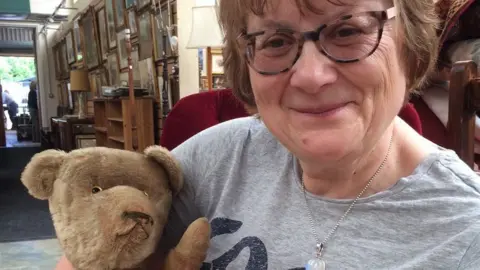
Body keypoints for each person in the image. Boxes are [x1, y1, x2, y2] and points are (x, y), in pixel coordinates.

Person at [57, 0, 480, 269]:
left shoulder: (464, 232)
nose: (311, 76)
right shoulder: (219, 156)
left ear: (411, 43)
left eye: (349, 30)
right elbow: (88, 254)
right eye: (276, 41)